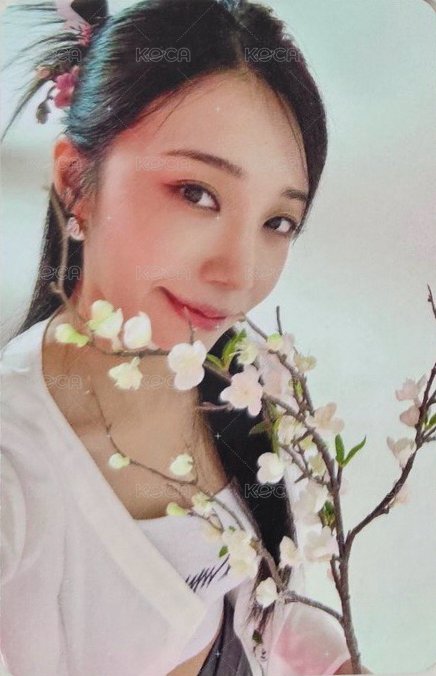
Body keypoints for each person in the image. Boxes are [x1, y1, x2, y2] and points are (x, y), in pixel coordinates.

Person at [1, 0, 368, 673]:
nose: (239, 276)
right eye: (197, 193)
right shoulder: (15, 465)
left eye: (278, 223)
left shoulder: (247, 376)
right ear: (77, 183)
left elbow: (264, 597)